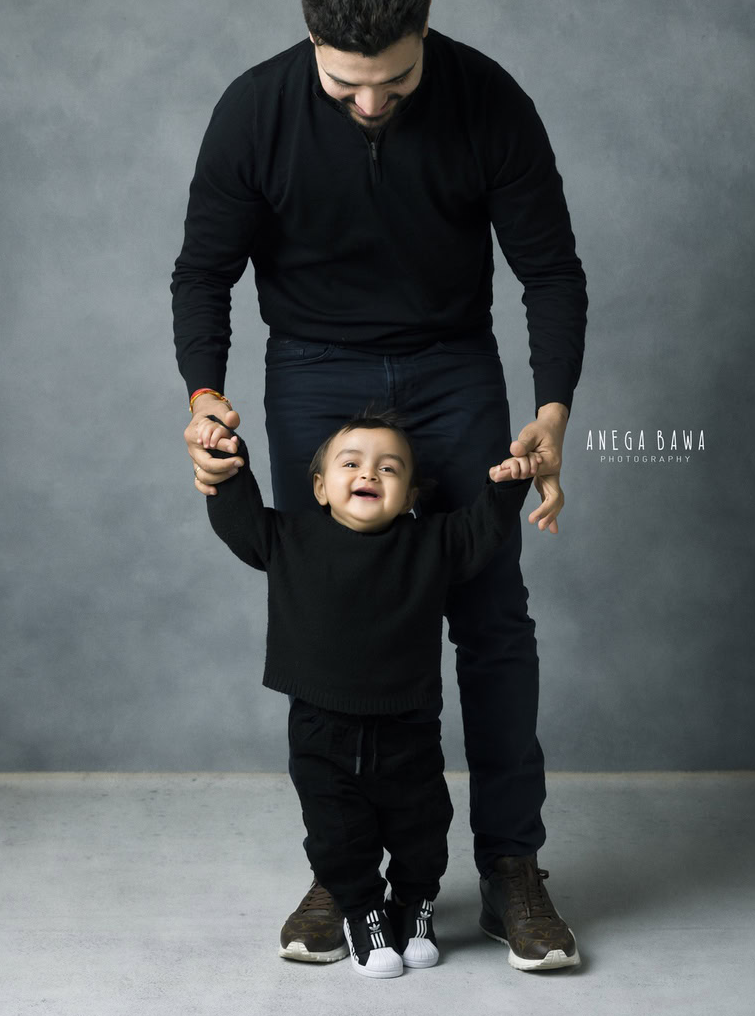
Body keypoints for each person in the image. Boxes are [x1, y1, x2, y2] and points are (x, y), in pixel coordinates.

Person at [172, 0, 588, 973]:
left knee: (489, 617)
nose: (368, 103)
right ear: (309, 41)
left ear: (426, 31)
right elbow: (201, 275)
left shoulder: (489, 102)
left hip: (452, 367)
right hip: (312, 367)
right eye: (343, 83)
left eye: (393, 81)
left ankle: (509, 872)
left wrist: (550, 411)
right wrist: (205, 396)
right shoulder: (253, 111)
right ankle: (343, 874)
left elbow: (548, 273)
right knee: (334, 622)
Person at [201, 407, 535, 977]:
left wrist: (508, 485)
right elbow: (239, 523)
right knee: (336, 831)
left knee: (424, 825)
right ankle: (362, 912)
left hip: (408, 725)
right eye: (351, 463)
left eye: (390, 468)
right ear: (321, 487)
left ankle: (413, 905)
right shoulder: (289, 537)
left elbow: (483, 530)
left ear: (409, 494)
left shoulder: (433, 540)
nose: (369, 474)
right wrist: (229, 462)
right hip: (320, 727)